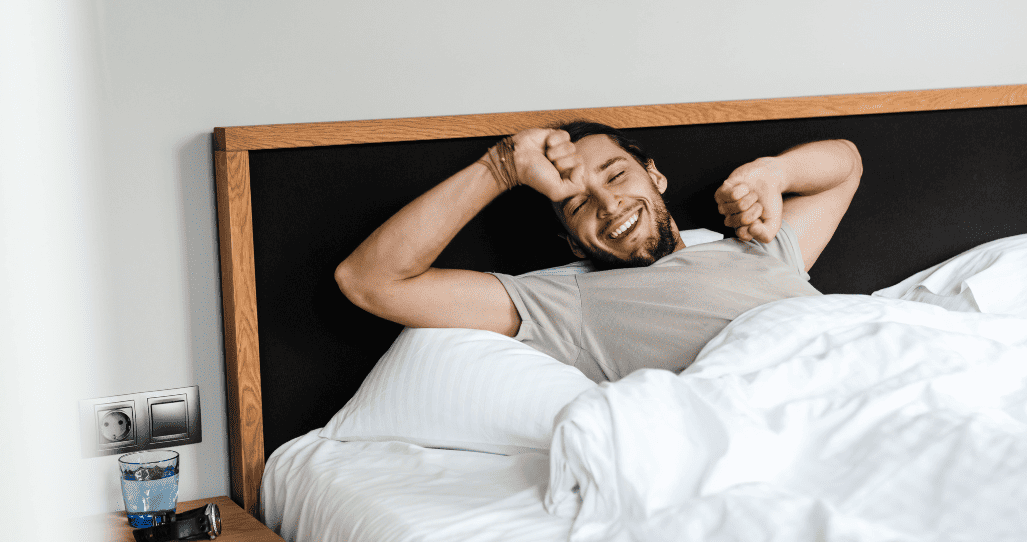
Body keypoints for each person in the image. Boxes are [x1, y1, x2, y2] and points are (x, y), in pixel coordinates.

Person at [335, 121, 862, 382]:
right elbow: (370, 281)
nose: (610, 204)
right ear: (569, 241)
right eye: (578, 202)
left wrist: (774, 172)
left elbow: (847, 165)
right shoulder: (568, 300)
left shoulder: (757, 246)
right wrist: (501, 168)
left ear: (654, 175)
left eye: (616, 175)